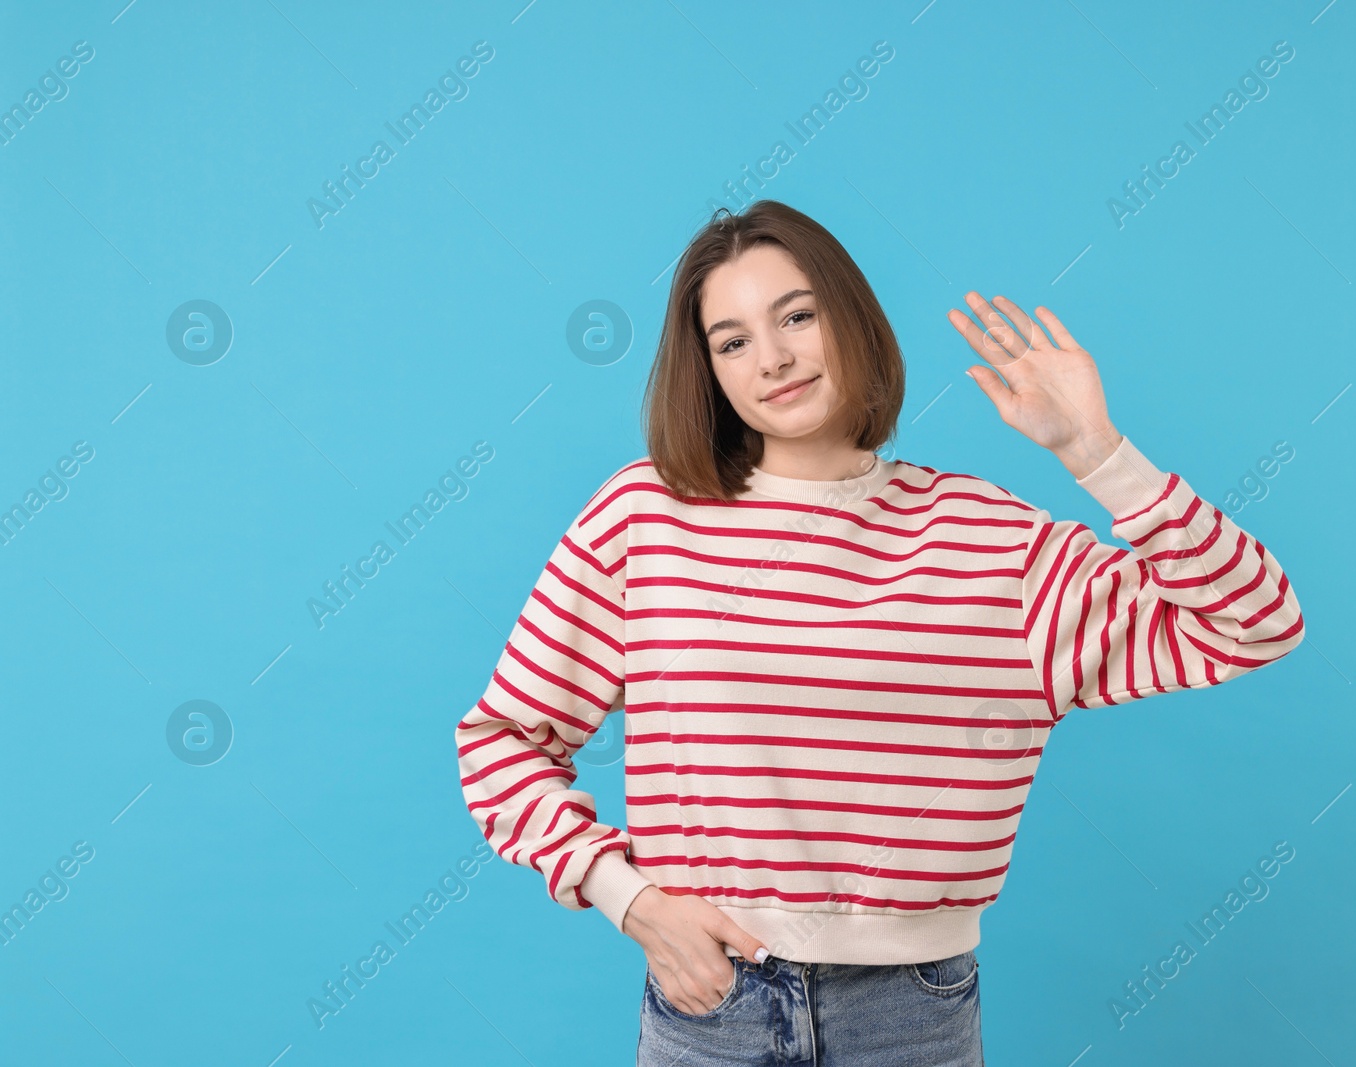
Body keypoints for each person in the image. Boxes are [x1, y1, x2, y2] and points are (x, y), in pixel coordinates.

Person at [454, 200, 1305, 1065]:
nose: (775, 357)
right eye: (733, 339)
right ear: (707, 369)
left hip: (912, 1016)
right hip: (710, 1004)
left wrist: (1098, 452)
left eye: (797, 315)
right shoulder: (648, 514)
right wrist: (631, 899)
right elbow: (500, 743)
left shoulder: (993, 541)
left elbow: (1252, 624)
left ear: (850, 318)